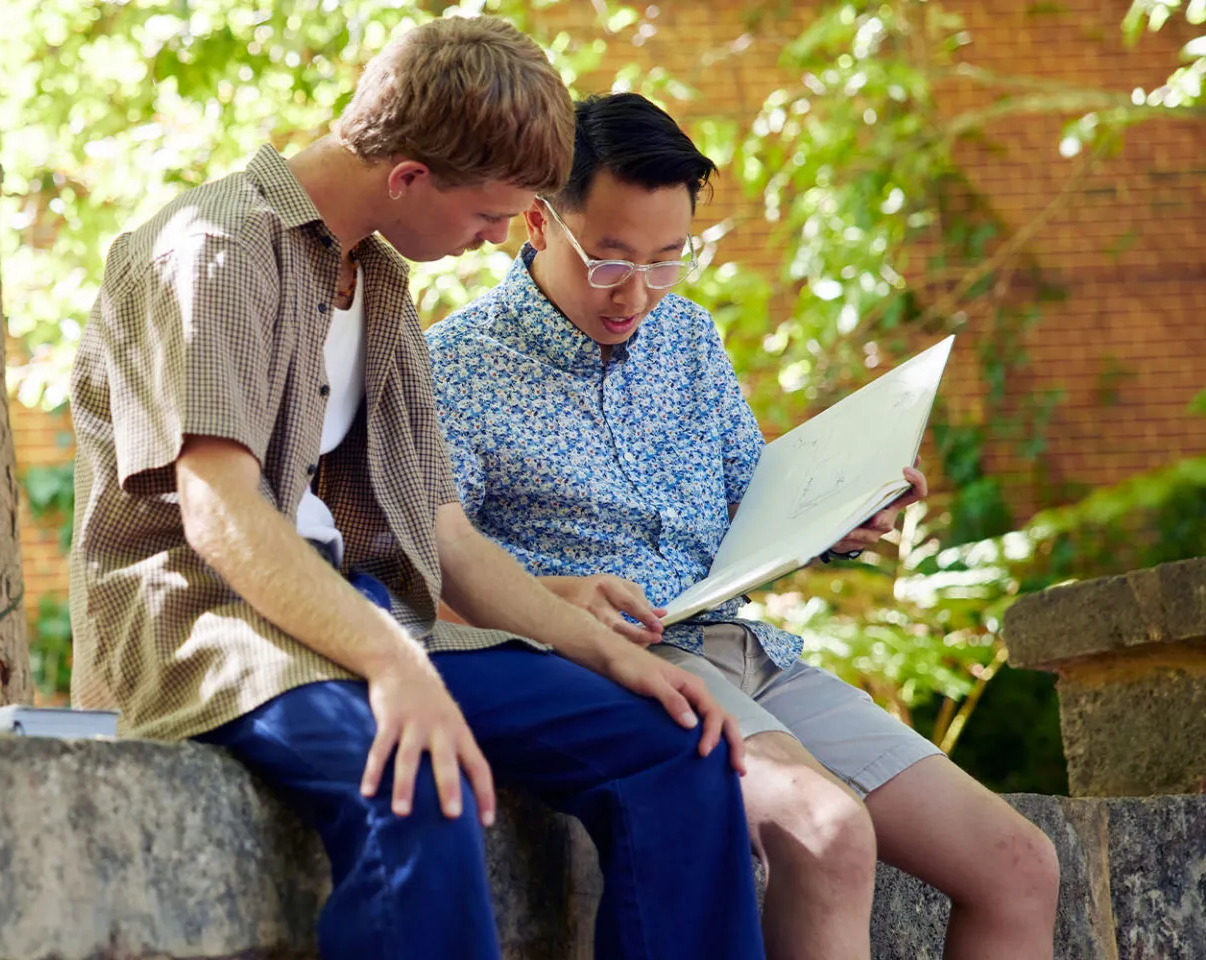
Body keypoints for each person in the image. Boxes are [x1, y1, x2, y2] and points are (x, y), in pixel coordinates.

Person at [66, 18, 768, 960]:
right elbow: (219, 513)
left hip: (367, 615)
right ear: (407, 178)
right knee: (418, 779)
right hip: (212, 621)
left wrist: (618, 660)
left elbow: (447, 537)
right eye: (486, 219)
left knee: (677, 750)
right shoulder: (215, 252)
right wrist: (399, 668)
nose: (490, 245)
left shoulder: (382, 287)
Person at [425, 90, 1061, 960]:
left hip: (748, 652)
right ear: (538, 222)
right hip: (623, 666)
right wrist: (560, 599)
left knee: (1020, 865)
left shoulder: (687, 337)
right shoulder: (453, 367)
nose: (637, 294)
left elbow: (749, 500)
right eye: (609, 261)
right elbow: (428, 579)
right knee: (828, 832)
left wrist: (843, 515)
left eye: (666, 260)